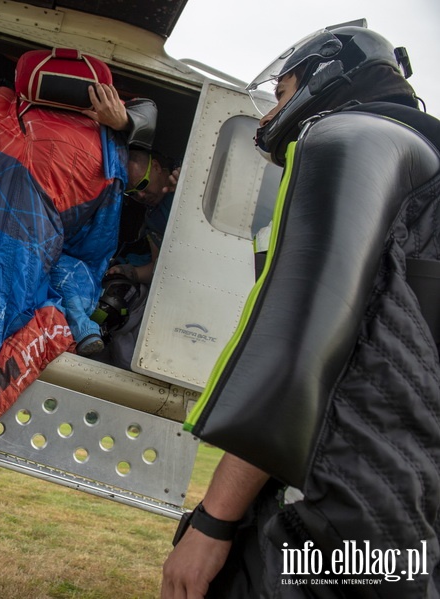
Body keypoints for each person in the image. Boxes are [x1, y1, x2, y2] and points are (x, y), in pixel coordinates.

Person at [162, 24, 440, 597]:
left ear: (326, 77)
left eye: (282, 94)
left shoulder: (348, 137)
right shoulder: (423, 182)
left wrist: (213, 521)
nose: (271, 115)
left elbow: (302, 354)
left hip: (339, 508)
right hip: (407, 513)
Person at [0, 64, 157, 438]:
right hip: (75, 194)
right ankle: (75, 320)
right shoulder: (109, 134)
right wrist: (124, 124)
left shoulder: (9, 105)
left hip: (21, 181)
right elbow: (93, 242)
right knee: (27, 280)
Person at [94, 148, 180, 368]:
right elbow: (157, 267)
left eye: (142, 185)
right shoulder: (154, 218)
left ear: (158, 167)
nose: (140, 196)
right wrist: (129, 272)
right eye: (132, 192)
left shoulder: (185, 181)